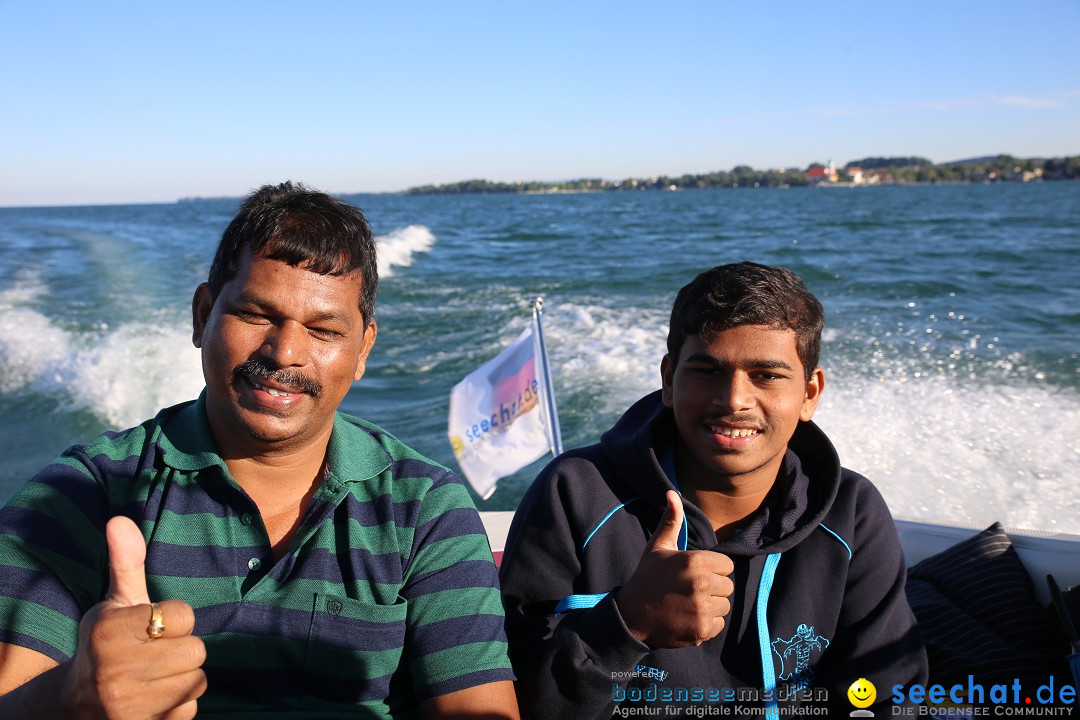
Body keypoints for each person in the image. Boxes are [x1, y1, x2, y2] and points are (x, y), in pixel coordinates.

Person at [0, 182, 518, 719]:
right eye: (256, 314)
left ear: (362, 350)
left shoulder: (423, 508)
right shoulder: (82, 495)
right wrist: (70, 699)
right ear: (203, 316)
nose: (285, 351)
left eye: (323, 329)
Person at [499, 262, 927, 718]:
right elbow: (515, 699)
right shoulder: (576, 494)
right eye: (707, 370)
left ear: (810, 393)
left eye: (766, 375)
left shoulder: (851, 513)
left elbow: (887, 698)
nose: (734, 400)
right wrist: (630, 623)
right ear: (668, 379)